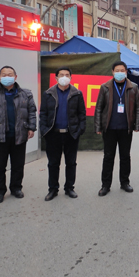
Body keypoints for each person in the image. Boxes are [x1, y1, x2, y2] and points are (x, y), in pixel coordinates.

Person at [0, 66, 37, 203]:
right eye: (4, 74)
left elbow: (32, 112)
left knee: (18, 165)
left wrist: (31, 128)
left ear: (15, 77)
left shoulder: (26, 94)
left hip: (19, 135)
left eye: (10, 74)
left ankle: (16, 188)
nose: (7, 77)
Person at [94, 61, 139, 196]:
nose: (120, 73)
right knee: (108, 157)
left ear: (126, 72)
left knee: (125, 157)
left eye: (122, 70)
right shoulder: (105, 87)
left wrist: (137, 125)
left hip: (126, 129)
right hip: (109, 128)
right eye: (117, 70)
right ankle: (105, 185)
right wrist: (98, 126)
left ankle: (125, 182)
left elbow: (138, 108)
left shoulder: (133, 87)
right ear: (112, 72)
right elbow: (99, 108)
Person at [39, 67, 87, 201]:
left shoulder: (77, 93)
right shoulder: (48, 94)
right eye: (61, 75)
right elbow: (43, 113)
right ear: (56, 78)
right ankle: (53, 189)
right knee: (53, 163)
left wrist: (79, 130)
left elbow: (82, 114)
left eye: (67, 75)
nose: (64, 77)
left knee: (71, 163)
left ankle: (69, 188)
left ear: (71, 77)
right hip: (53, 134)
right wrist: (44, 130)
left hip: (71, 134)